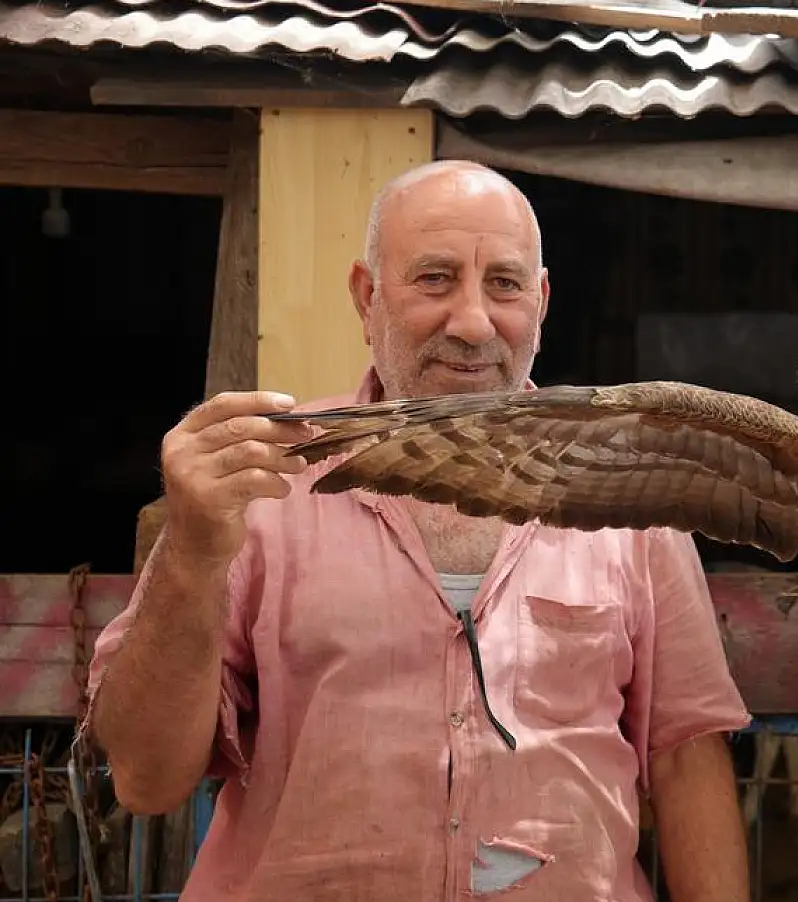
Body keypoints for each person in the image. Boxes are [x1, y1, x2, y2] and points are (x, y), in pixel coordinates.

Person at [80, 160, 752, 902]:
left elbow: (687, 756)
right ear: (367, 297)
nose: (471, 323)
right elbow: (145, 780)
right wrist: (193, 553)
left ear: (542, 301)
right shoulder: (266, 486)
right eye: (434, 279)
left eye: (503, 284)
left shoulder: (633, 500)